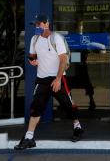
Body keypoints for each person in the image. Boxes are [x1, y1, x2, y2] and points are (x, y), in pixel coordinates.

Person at [14, 14, 84, 150]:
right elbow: (32, 56)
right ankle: (29, 137)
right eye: (35, 24)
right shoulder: (34, 39)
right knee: (36, 107)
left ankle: (78, 127)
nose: (37, 27)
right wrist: (32, 61)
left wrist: (58, 79)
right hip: (42, 79)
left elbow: (63, 60)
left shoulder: (56, 38)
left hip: (58, 77)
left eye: (39, 24)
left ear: (46, 24)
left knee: (68, 105)